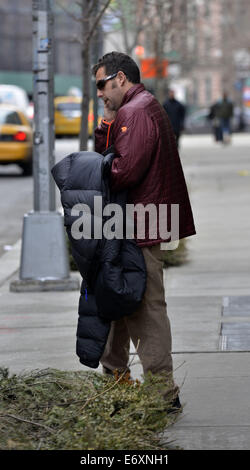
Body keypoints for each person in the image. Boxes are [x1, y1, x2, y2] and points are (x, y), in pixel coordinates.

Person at [92, 51, 196, 410]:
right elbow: (114, 156)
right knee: (120, 301)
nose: (100, 93)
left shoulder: (135, 113)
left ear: (120, 78)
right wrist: (107, 123)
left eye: (102, 86)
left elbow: (123, 172)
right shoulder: (136, 108)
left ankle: (162, 394)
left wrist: (94, 171)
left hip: (139, 225)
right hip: (138, 222)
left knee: (145, 308)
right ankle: (115, 377)